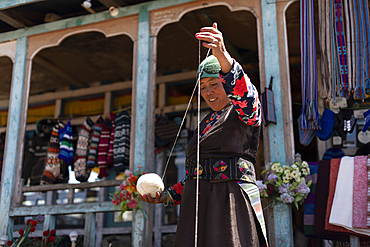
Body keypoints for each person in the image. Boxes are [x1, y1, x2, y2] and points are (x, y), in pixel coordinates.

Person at [139, 23, 268, 247]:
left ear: (227, 84)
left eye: (214, 84)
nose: (208, 92)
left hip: (229, 203)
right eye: (203, 86)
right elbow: (198, 173)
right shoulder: (207, 123)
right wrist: (166, 196)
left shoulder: (245, 113)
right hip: (199, 206)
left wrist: (222, 55)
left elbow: (244, 93)